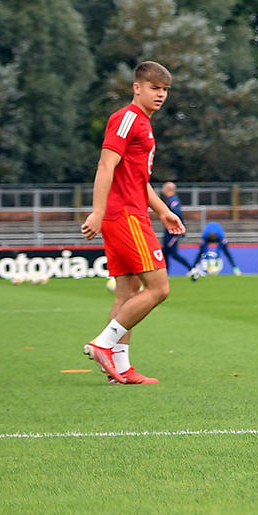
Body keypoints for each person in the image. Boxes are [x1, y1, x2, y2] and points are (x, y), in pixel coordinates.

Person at [79, 62, 185, 384]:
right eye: (154, 88)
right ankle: (104, 344)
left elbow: (138, 180)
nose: (161, 95)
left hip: (130, 211)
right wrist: (97, 211)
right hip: (125, 215)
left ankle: (120, 369)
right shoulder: (127, 118)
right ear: (136, 87)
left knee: (128, 290)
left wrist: (163, 211)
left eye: (164, 90)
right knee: (159, 288)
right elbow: (105, 165)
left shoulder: (143, 125)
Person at [158, 181, 196, 278]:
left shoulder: (173, 200)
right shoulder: (169, 200)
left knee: (173, 253)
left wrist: (179, 227)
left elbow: (177, 213)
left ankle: (192, 269)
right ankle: (166, 274)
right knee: (165, 252)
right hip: (168, 230)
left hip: (173, 231)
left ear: (168, 189)